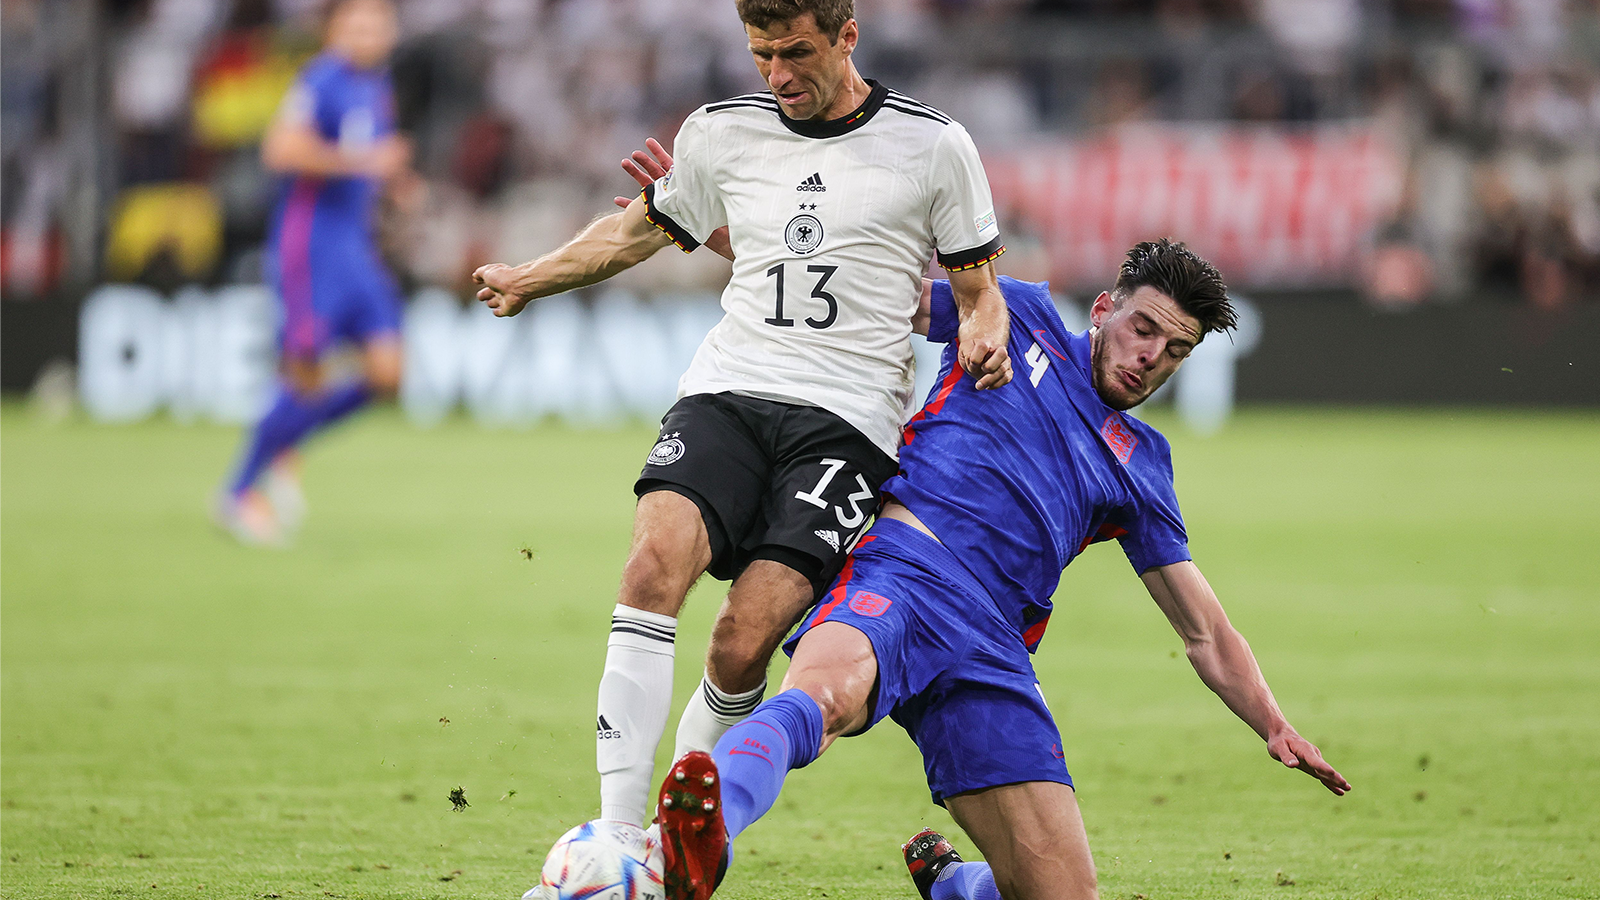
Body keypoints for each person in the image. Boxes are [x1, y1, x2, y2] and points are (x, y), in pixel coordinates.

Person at [649, 241, 1352, 900]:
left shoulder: (1143, 464)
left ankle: (956, 885)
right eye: (1144, 329)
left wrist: (1272, 723)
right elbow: (869, 294)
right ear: (1105, 309)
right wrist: (719, 233)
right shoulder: (1016, 316)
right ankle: (704, 843)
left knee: (1064, 893)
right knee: (827, 694)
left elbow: (1204, 631)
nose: (1150, 358)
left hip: (993, 653)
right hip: (905, 575)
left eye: (1175, 352)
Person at [473, 0, 1012, 832]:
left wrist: (985, 341)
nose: (778, 74)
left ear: (847, 36)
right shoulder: (722, 131)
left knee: (741, 642)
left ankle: (668, 836)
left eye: (797, 52)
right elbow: (631, 236)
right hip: (730, 387)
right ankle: (620, 834)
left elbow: (981, 295)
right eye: (762, 54)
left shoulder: (934, 144)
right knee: (653, 566)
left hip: (849, 421)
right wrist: (528, 278)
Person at [216, 0, 411, 546]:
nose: (367, 33)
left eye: (376, 24)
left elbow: (368, 158)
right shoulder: (320, 79)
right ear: (333, 31)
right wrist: (368, 162)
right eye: (355, 24)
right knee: (305, 377)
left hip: (357, 250)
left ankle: (283, 443)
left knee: (388, 374)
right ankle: (236, 493)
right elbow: (280, 149)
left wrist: (395, 182)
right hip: (312, 246)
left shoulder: (376, 86)